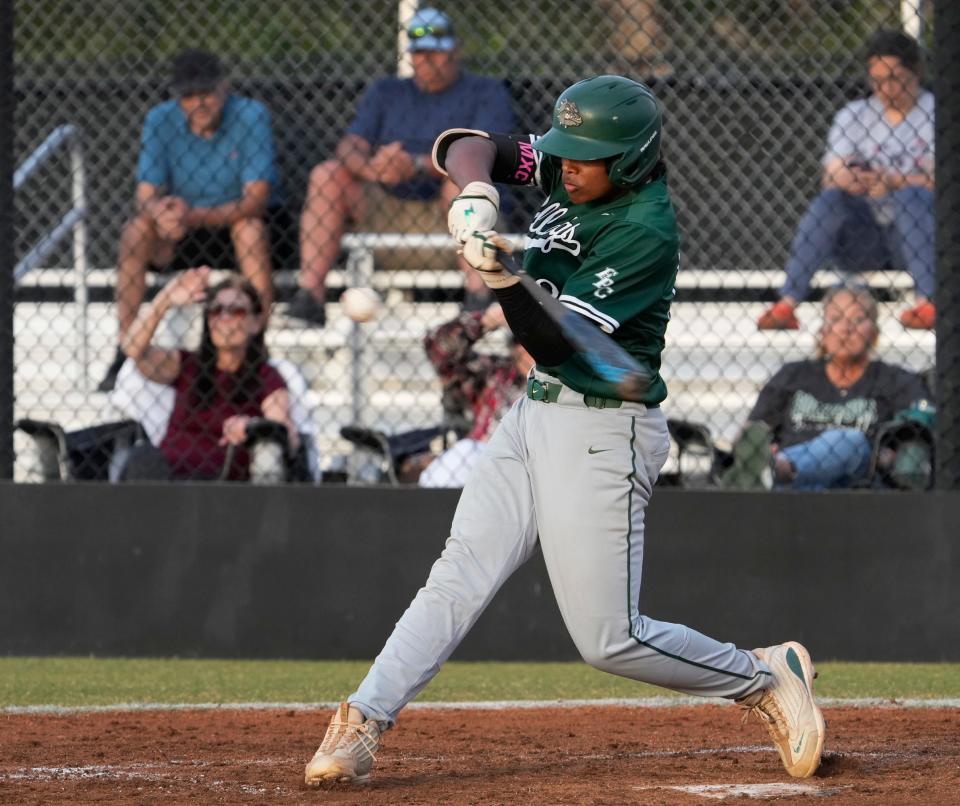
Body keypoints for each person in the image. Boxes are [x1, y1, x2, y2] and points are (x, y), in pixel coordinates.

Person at [303, 75, 825, 786]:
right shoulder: (576, 164)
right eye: (564, 152)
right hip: (534, 414)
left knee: (611, 639)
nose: (566, 167)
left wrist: (503, 276)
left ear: (631, 161)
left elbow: (559, 342)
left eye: (585, 158)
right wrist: (476, 196)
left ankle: (763, 677)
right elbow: (465, 146)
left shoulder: (643, 228)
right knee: (458, 575)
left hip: (601, 429)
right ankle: (362, 721)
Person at [289, 7, 515, 326]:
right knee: (327, 174)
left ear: (455, 51)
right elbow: (349, 146)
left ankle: (477, 301)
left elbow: (487, 153)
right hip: (386, 212)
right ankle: (309, 298)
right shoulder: (387, 90)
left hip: (453, 223)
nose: (427, 61)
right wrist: (374, 170)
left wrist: (418, 165)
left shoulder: (486, 92)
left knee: (461, 183)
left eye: (437, 54)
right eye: (420, 54)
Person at [98, 49, 287, 392]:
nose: (199, 103)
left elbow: (256, 200)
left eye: (206, 93)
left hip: (235, 226)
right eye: (188, 95)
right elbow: (145, 194)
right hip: (182, 231)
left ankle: (257, 345)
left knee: (250, 229)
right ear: (177, 96)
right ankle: (125, 348)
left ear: (223, 88)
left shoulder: (250, 115)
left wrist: (191, 214)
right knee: (136, 230)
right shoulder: (160, 119)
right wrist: (160, 213)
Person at [757, 29, 935, 332]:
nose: (886, 89)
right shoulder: (855, 115)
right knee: (831, 200)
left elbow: (944, 181)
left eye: (895, 78)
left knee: (910, 196)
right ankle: (787, 303)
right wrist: (857, 181)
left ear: (915, 72)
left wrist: (895, 181)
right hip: (864, 237)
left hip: (921, 238)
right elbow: (831, 176)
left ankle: (929, 302)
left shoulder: (937, 112)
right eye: (877, 80)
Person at [727, 283, 929, 490]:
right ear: (823, 331)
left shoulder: (895, 379)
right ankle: (781, 471)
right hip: (795, 492)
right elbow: (753, 431)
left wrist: (888, 456)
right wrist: (757, 446)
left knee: (848, 440)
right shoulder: (793, 375)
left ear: (874, 331)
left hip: (859, 486)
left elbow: (921, 428)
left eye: (858, 319)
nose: (846, 329)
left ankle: (779, 470)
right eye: (836, 319)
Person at [118, 267, 298, 481]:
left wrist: (252, 427)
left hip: (218, 485)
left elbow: (283, 429)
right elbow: (132, 349)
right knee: (142, 456)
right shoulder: (187, 364)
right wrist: (165, 300)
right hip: (167, 479)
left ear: (256, 323)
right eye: (216, 310)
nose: (224, 318)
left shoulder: (266, 375)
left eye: (236, 311)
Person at [413, 302, 532, 487]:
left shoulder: (567, 380)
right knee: (462, 453)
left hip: (538, 461)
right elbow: (437, 349)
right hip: (488, 456)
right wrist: (486, 321)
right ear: (516, 347)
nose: (531, 350)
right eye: (525, 341)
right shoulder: (494, 373)